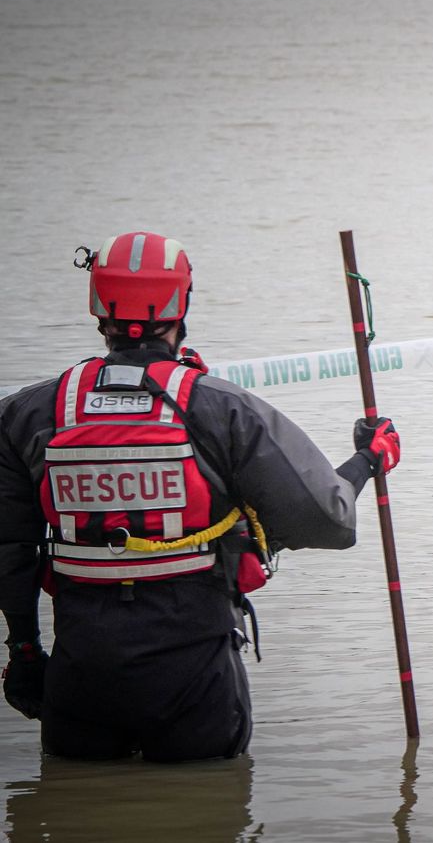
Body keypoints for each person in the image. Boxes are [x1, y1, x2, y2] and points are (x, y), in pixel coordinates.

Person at [0, 231, 401, 762]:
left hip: (81, 678)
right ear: (181, 302)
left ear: (97, 306)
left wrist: (25, 650)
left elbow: (10, 550)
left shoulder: (28, 414)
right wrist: (368, 460)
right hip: (195, 679)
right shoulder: (221, 409)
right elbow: (325, 520)